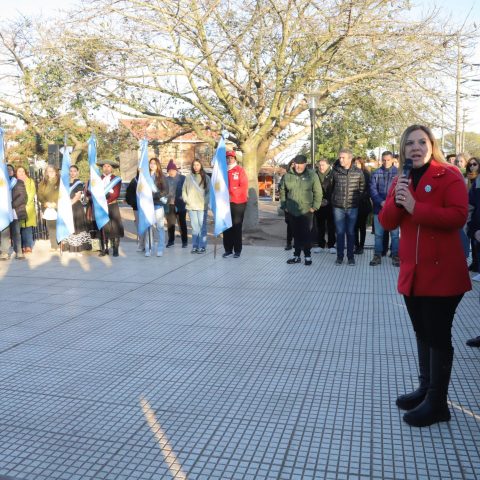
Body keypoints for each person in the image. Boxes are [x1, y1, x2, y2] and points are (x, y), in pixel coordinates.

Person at [379, 124, 471, 427]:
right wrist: (398, 201)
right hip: (413, 274)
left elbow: (458, 216)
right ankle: (425, 389)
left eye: (422, 142)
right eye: (410, 143)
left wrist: (416, 207)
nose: (416, 147)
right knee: (422, 332)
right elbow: (387, 222)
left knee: (437, 336)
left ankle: (438, 403)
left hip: (443, 274)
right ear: (403, 149)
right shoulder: (400, 179)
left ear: (432, 146)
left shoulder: (449, 175)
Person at [325, 148, 365, 266]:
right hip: (338, 207)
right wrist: (334, 200)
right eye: (340, 157)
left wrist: (356, 200)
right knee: (340, 232)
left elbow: (362, 188)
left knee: (351, 232)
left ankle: (351, 257)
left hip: (353, 207)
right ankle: (340, 257)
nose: (340, 159)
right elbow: (330, 187)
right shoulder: (335, 171)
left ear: (350, 158)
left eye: (343, 157)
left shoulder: (358, 172)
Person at [280, 155, 322, 265]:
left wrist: (314, 207)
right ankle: (296, 256)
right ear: (294, 164)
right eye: (296, 164)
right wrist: (284, 206)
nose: (298, 166)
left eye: (301, 164)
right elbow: (282, 191)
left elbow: (318, 192)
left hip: (306, 210)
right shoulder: (288, 176)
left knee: (306, 234)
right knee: (295, 234)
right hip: (292, 210)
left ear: (305, 164)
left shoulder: (312, 175)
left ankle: (308, 256)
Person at [369, 151, 400, 267]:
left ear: (392, 160)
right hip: (379, 209)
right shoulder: (376, 173)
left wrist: (391, 203)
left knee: (395, 235)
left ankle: (395, 255)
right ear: (381, 160)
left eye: (388, 160)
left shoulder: (398, 173)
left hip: (394, 209)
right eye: (384, 160)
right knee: (378, 234)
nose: (386, 162)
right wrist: (381, 201)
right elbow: (372, 190)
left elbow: (401, 190)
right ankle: (377, 255)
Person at [222, 150, 248, 258]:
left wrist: (231, 192)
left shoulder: (240, 170)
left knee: (236, 226)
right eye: (227, 158)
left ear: (235, 159)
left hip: (238, 202)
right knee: (226, 226)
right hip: (225, 203)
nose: (229, 160)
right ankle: (228, 249)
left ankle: (237, 250)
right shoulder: (222, 170)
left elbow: (243, 186)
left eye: (231, 158)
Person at [62, 165, 91, 255]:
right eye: (71, 171)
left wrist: (68, 204)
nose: (72, 173)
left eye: (74, 171)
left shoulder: (79, 183)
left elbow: (77, 196)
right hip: (67, 207)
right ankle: (69, 246)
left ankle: (78, 248)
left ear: (77, 172)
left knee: (76, 226)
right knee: (68, 226)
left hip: (76, 207)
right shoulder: (65, 183)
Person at [182, 159, 210, 253]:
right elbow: (184, 190)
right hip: (191, 206)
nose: (196, 167)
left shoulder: (206, 177)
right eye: (194, 165)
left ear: (201, 165)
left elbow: (209, 192)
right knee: (195, 227)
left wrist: (205, 202)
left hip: (202, 206)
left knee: (202, 227)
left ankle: (202, 246)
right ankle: (195, 246)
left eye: (197, 165)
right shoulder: (188, 177)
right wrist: (186, 200)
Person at [97, 159, 124, 257]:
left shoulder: (116, 179)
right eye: (104, 166)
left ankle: (115, 248)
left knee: (114, 227)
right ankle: (104, 249)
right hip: (101, 207)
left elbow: (116, 194)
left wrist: (106, 201)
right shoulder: (98, 179)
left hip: (112, 205)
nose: (106, 168)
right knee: (103, 227)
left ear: (112, 168)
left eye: (109, 166)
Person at [144, 157, 168, 257]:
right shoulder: (145, 176)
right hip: (147, 205)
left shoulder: (161, 177)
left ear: (157, 165)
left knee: (160, 227)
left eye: (154, 163)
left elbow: (165, 191)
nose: (152, 165)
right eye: (151, 163)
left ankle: (160, 248)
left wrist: (156, 195)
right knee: (148, 228)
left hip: (158, 204)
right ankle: (148, 248)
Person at [314, 159, 336, 254]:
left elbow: (336, 189)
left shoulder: (333, 174)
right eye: (319, 165)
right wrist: (319, 201)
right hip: (319, 203)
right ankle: (321, 245)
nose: (321, 167)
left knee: (331, 226)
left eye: (323, 165)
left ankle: (331, 245)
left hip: (331, 203)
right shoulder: (315, 175)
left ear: (328, 165)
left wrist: (329, 200)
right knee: (320, 226)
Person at [6, 164, 27, 260]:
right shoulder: (2, 182)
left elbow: (22, 196)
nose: (9, 171)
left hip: (14, 210)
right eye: (7, 170)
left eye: (10, 169)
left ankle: (18, 252)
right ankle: (4, 252)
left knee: (16, 232)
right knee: (4, 233)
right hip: (4, 212)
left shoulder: (18, 182)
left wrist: (11, 205)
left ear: (13, 171)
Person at [37, 164, 60, 252]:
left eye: (52, 171)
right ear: (46, 173)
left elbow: (63, 194)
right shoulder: (42, 183)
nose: (51, 173)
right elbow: (39, 195)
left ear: (56, 172)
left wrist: (56, 203)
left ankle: (60, 244)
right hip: (47, 208)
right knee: (51, 227)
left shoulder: (60, 182)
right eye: (49, 171)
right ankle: (54, 245)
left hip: (58, 207)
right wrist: (45, 203)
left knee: (59, 226)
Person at [165, 160, 187, 248]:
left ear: (176, 170)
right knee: (170, 224)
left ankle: (184, 241)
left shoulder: (183, 178)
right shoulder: (165, 180)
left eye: (173, 170)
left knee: (182, 223)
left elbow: (187, 189)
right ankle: (171, 241)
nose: (171, 172)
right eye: (169, 170)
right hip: (170, 205)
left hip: (181, 204)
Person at [353, 157, 372, 255]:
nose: (356, 165)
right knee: (354, 226)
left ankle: (361, 246)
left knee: (362, 226)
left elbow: (370, 189)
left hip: (363, 204)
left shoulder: (366, 174)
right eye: (354, 163)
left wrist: (362, 196)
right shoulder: (351, 173)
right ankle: (356, 245)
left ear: (361, 164)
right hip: (353, 204)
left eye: (358, 163)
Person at [16, 166, 37, 254]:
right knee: (19, 228)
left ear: (25, 172)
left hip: (28, 207)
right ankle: (21, 246)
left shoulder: (30, 181)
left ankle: (28, 246)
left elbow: (32, 192)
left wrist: (25, 203)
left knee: (28, 228)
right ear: (16, 173)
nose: (21, 173)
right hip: (18, 207)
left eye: (23, 171)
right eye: (19, 171)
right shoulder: (14, 181)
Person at [125, 171, 145, 252]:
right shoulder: (134, 181)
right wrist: (133, 203)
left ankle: (148, 243)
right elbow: (128, 194)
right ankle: (141, 244)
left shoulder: (149, 179)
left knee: (148, 226)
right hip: (137, 207)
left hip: (147, 207)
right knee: (139, 225)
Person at [280, 160, 294, 250]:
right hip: (289, 205)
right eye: (292, 164)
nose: (294, 166)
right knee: (290, 224)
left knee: (298, 225)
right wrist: (284, 205)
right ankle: (289, 243)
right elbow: (281, 191)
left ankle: (297, 242)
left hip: (299, 205)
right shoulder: (285, 176)